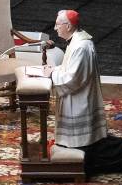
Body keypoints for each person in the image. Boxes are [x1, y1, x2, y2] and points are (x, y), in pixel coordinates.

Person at [39, 9, 105, 149]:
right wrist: (54, 69)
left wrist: (52, 74)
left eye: (58, 25)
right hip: (78, 93)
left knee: (78, 137)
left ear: (68, 26)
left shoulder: (81, 46)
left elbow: (73, 78)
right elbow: (70, 68)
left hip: (79, 97)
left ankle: (77, 147)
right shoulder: (75, 41)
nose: (55, 28)